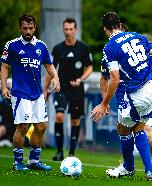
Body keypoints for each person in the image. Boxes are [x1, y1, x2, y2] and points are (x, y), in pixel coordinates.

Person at [91, 12, 152, 180]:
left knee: (124, 128)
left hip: (137, 94)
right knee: (140, 128)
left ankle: (128, 167)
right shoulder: (137, 36)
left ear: (105, 29)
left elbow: (114, 79)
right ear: (119, 24)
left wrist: (103, 104)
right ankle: (150, 171)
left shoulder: (110, 47)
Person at [0, 13, 60, 171]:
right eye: (25, 28)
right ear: (20, 28)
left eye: (30, 28)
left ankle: (34, 161)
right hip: (20, 93)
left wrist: (56, 78)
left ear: (35, 28)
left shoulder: (41, 46)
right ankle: (17, 161)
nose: (28, 31)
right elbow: (5, 66)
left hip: (37, 93)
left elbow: (48, 65)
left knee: (41, 127)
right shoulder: (12, 45)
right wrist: (4, 86)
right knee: (23, 127)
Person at [44, 18, 93, 161]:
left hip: (77, 89)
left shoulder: (83, 48)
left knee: (75, 121)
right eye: (66, 29)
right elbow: (50, 70)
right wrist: (46, 89)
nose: (68, 32)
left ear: (75, 30)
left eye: (71, 29)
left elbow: (89, 67)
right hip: (61, 87)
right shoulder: (58, 48)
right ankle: (59, 151)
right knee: (59, 116)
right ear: (63, 30)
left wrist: (81, 79)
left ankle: (71, 153)